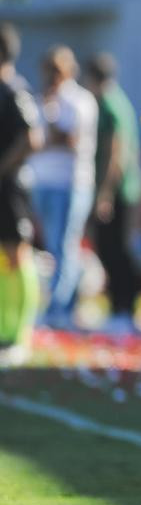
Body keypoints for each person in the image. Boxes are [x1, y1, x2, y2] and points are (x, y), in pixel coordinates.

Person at [27, 45, 98, 329]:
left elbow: (70, 140)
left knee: (64, 245)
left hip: (70, 183)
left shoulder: (79, 100)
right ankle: (62, 305)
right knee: (50, 246)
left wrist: (51, 128)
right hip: (42, 180)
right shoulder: (40, 99)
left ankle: (61, 308)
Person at [83, 52, 141, 332]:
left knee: (115, 249)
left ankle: (124, 307)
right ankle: (120, 306)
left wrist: (104, 193)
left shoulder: (109, 104)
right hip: (123, 189)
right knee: (113, 248)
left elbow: (115, 152)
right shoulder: (118, 100)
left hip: (118, 191)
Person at [0, 22, 41, 363]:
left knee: (18, 254)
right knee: (5, 257)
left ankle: (22, 333)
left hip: (12, 187)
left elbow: (33, 137)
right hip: (4, 186)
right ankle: (5, 330)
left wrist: (3, 167)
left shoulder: (14, 90)